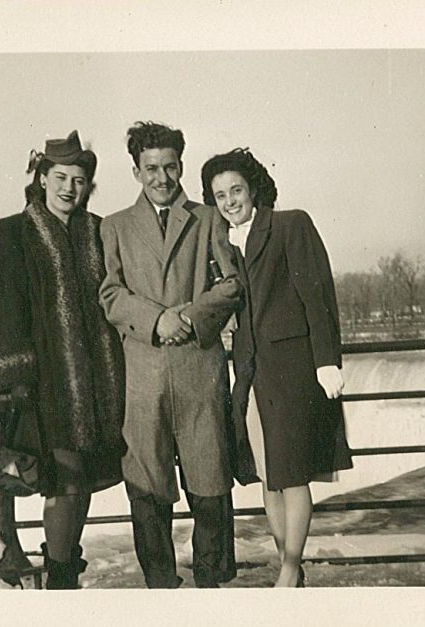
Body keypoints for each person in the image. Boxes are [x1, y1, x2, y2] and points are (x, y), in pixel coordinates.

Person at [201, 147, 353, 588]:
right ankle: (289, 564)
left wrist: (327, 361)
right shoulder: (222, 244)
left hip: (293, 368)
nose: (230, 201)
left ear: (254, 189)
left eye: (236, 190)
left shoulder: (290, 224)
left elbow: (318, 297)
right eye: (220, 195)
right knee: (267, 473)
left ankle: (289, 568)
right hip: (249, 371)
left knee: (290, 472)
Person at [99, 121, 242, 588]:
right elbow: (110, 294)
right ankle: (161, 585)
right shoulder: (115, 226)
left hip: (200, 369)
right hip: (143, 375)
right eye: (151, 168)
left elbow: (232, 286)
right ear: (137, 170)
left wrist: (191, 316)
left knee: (210, 479)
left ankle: (212, 580)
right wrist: (156, 320)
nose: (162, 177)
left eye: (171, 167)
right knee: (146, 482)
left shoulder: (208, 219)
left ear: (181, 165)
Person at [0, 130, 126, 589]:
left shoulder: (98, 230)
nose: (70, 188)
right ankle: (61, 578)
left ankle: (64, 561)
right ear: (42, 179)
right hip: (47, 387)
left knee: (81, 482)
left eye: (79, 180)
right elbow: (5, 311)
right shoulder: (13, 232)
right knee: (64, 484)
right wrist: (15, 385)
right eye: (60, 177)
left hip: (100, 385)